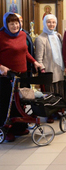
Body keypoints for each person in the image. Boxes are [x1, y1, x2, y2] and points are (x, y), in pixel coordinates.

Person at [0, 12, 42, 142]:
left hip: (22, 75)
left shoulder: (23, 34)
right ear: (6, 24)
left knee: (21, 102)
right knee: (6, 104)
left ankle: (19, 127)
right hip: (7, 76)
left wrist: (34, 61)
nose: (15, 26)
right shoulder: (1, 36)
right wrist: (1, 67)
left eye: (16, 23)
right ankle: (6, 130)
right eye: (11, 23)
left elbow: (25, 52)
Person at [35, 14, 65, 95]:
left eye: (53, 22)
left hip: (59, 70)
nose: (51, 24)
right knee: (50, 95)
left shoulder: (58, 36)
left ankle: (60, 108)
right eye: (49, 22)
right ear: (44, 23)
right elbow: (38, 57)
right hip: (48, 71)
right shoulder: (40, 38)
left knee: (60, 94)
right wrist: (42, 69)